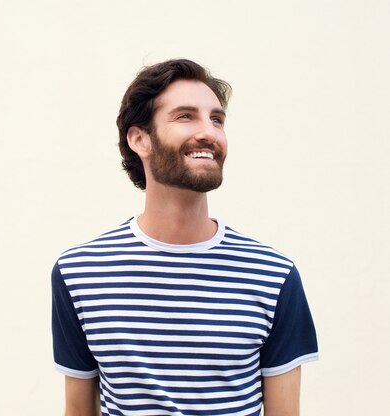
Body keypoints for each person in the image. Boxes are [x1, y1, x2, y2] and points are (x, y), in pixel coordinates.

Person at [51, 59, 318, 416]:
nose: (209, 131)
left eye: (217, 119)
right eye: (185, 116)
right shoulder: (79, 273)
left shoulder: (274, 276)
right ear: (140, 139)